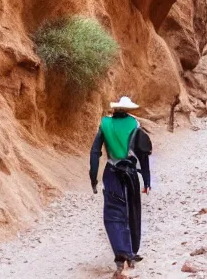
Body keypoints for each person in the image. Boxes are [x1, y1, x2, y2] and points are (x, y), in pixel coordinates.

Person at [90, 95, 152, 277]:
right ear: (127, 110)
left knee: (113, 214)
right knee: (132, 212)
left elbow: (95, 153)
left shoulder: (105, 124)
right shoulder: (135, 125)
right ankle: (131, 252)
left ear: (115, 109)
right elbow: (143, 155)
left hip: (112, 173)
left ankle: (121, 254)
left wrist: (93, 177)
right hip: (131, 174)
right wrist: (146, 180)